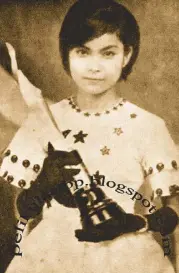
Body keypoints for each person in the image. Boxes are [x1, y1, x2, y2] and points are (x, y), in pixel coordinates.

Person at [0, 0, 179, 272]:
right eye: (83, 52)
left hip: (126, 256)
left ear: (126, 55)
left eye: (107, 53)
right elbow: (22, 211)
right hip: (51, 253)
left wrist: (138, 223)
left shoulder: (148, 126)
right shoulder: (42, 120)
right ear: (67, 54)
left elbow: (173, 209)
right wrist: (41, 186)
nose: (94, 67)